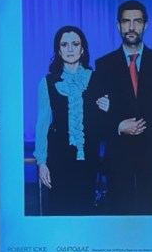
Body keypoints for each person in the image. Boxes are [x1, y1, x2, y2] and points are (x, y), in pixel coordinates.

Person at [92, 0, 152, 215]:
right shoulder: (103, 64)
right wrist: (118, 126)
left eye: (137, 21)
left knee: (151, 212)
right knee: (120, 213)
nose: (131, 27)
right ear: (118, 25)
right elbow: (98, 113)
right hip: (118, 154)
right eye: (126, 21)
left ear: (145, 25)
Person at [33, 25, 108, 215]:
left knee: (86, 210)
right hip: (58, 157)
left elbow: (105, 123)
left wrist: (109, 108)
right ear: (58, 51)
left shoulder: (98, 79)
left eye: (75, 44)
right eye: (64, 45)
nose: (70, 49)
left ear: (82, 49)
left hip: (89, 157)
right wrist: (42, 162)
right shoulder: (47, 83)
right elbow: (42, 125)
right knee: (60, 210)